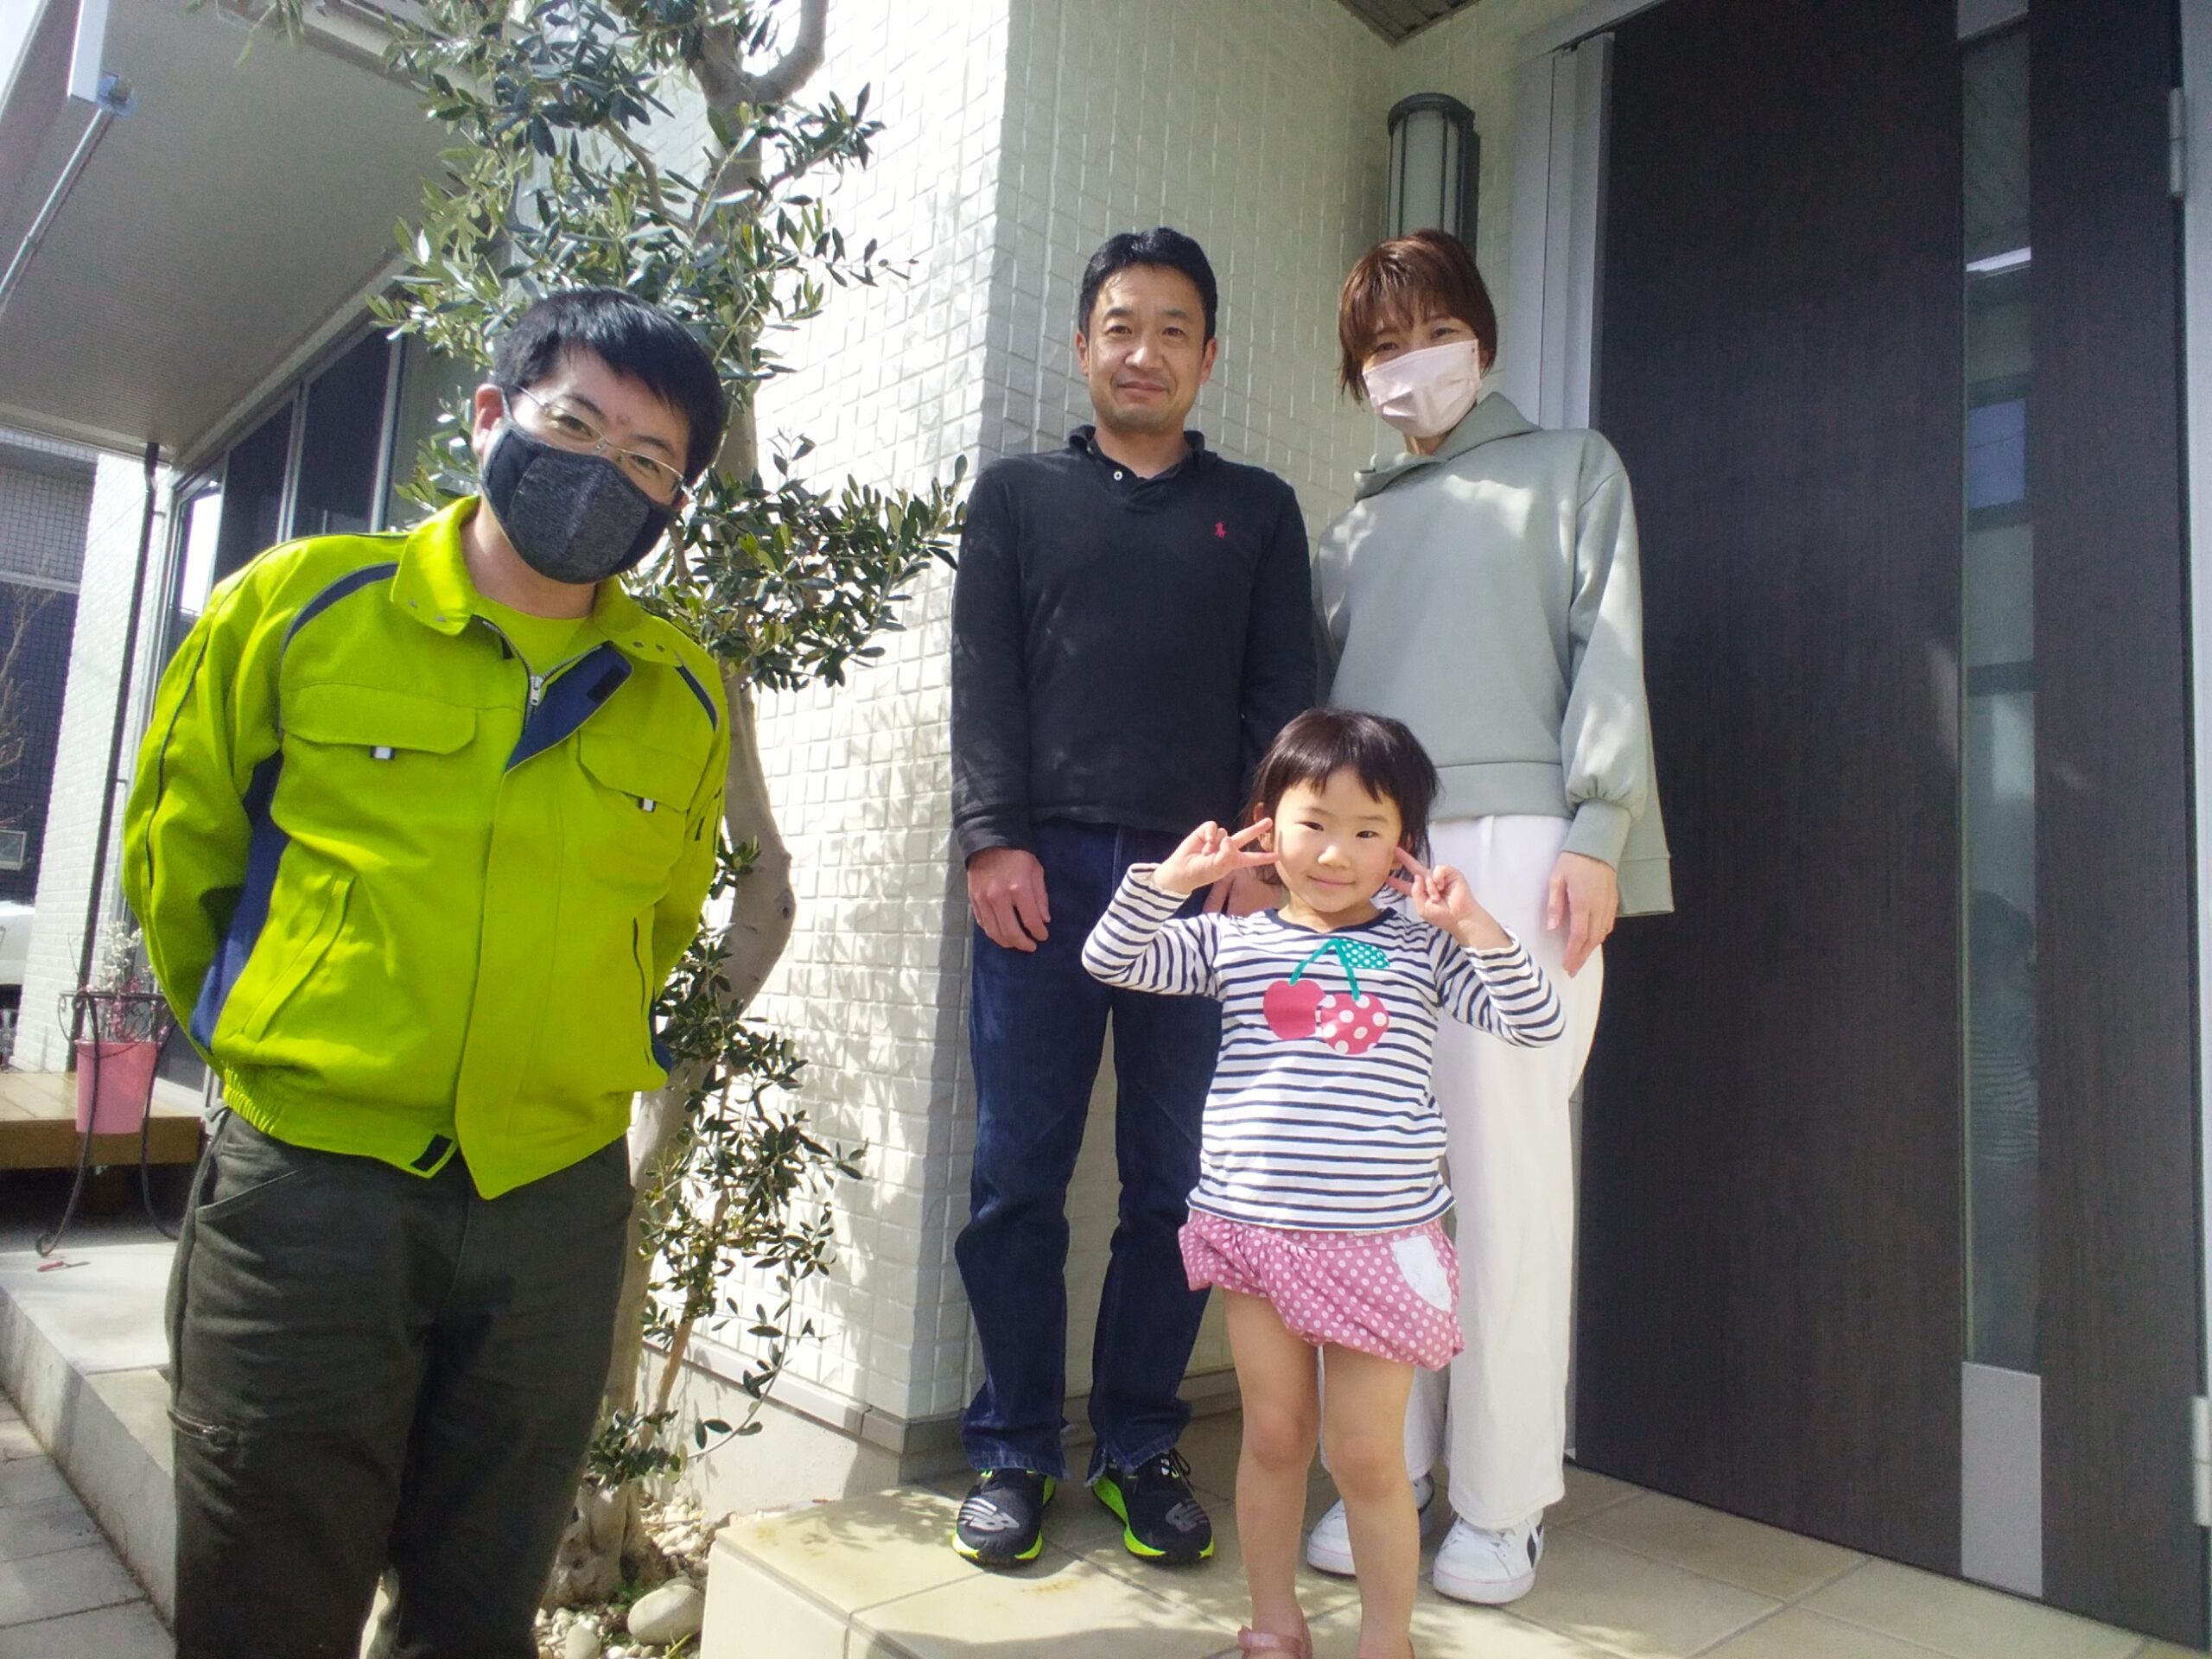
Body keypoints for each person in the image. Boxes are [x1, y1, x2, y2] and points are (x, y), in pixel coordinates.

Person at [124, 289, 732, 1659]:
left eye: (648, 461)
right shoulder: (301, 606)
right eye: (575, 424)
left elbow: (662, 919)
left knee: (478, 1611)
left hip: (550, 1211)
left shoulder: (680, 691)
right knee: (264, 1601)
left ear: (672, 504)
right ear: (490, 415)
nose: (606, 471)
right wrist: (287, 1033)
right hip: (311, 1195)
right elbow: (180, 862)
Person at [1306, 230, 1672, 1605]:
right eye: (1382, 348)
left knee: (1507, 1173)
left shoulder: (1573, 467)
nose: (1413, 365)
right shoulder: (1351, 528)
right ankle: (1382, 1468)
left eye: (1433, 332)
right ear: (1358, 374)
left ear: (1483, 334)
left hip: (1520, 853)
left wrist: (1599, 831)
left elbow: (1609, 652)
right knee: (1379, 1178)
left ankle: (1505, 1502)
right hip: (1370, 863)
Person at [948, 226, 1315, 1568]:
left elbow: (1285, 699)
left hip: (1202, 889)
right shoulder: (1017, 498)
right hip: (1041, 877)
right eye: (1121, 325)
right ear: (1084, 344)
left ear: (1207, 356)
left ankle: (1141, 1445)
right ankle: (1012, 1449)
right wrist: (992, 841)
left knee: (1175, 1181)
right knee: (1017, 1177)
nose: (1144, 351)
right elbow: (985, 680)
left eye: (1172, 330)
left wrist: (1259, 865)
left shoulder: (1257, 511)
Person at [1083, 709, 1563, 1659]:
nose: (1336, 852)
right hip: (1256, 1235)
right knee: (1273, 1437)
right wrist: (1174, 883)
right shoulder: (1233, 942)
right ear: (1268, 824)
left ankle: (1387, 1642)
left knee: (1366, 1456)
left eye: (1368, 829)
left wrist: (1475, 925)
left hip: (1380, 1243)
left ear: (1404, 846)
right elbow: (1112, 958)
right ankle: (1275, 1622)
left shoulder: (1423, 950)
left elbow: (1536, 1021)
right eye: (1313, 823)